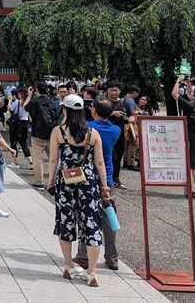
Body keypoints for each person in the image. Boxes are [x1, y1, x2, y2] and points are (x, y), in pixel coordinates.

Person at [47, 94, 110, 288]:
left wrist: (50, 181)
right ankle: (92, 272)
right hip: (88, 182)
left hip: (65, 182)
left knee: (66, 222)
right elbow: (100, 162)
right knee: (91, 224)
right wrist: (105, 186)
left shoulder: (58, 132)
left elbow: (53, 160)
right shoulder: (93, 133)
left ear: (64, 110)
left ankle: (68, 265)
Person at [74, 99, 121, 271]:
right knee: (108, 217)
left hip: (88, 177)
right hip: (107, 178)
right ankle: (112, 257)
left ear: (94, 110)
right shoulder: (116, 130)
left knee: (86, 216)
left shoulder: (88, 128)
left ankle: (83, 255)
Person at [28, 82, 58, 190]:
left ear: (37, 90)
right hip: (51, 134)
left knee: (38, 159)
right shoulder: (52, 102)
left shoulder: (35, 102)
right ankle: (54, 181)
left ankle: (39, 182)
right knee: (53, 158)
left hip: (37, 134)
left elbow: (26, 108)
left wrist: (30, 95)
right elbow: (56, 117)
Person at [7, 87, 32, 170]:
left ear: (20, 94)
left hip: (16, 124)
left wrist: (10, 101)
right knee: (24, 143)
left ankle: (15, 162)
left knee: (13, 143)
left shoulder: (17, 102)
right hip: (25, 124)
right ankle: (30, 161)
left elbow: (10, 109)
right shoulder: (28, 102)